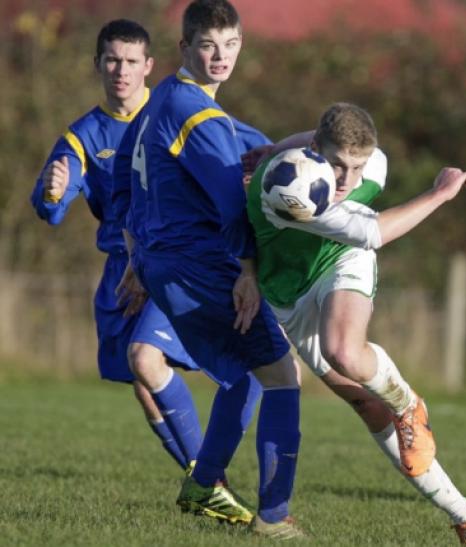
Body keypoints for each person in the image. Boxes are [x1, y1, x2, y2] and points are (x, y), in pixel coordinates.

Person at [245, 103, 466, 546]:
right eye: (337, 164)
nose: (345, 179)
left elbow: (368, 236)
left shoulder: (371, 165)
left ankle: (408, 404)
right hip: (292, 296)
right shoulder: (293, 192)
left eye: (355, 166)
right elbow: (373, 229)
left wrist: (276, 144)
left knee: (345, 351)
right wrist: (440, 192)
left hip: (344, 260)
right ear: (316, 151)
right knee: (366, 406)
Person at [114, 0, 303, 538]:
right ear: (185, 48)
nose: (220, 57)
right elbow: (229, 204)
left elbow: (123, 185)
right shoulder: (200, 116)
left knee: (242, 375)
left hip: (162, 265)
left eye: (231, 45)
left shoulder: (156, 104)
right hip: (200, 265)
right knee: (281, 374)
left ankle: (205, 481)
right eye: (208, 45)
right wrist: (248, 271)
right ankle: (273, 517)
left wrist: (136, 256)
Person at [30, 19, 211, 476]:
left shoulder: (175, 111)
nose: (121, 70)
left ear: (149, 65)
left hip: (173, 263)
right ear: (98, 64)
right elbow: (50, 210)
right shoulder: (83, 136)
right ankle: (201, 475)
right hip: (123, 270)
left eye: (131, 61)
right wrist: (53, 190)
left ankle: (213, 474)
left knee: (147, 361)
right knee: (142, 381)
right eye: (112, 59)